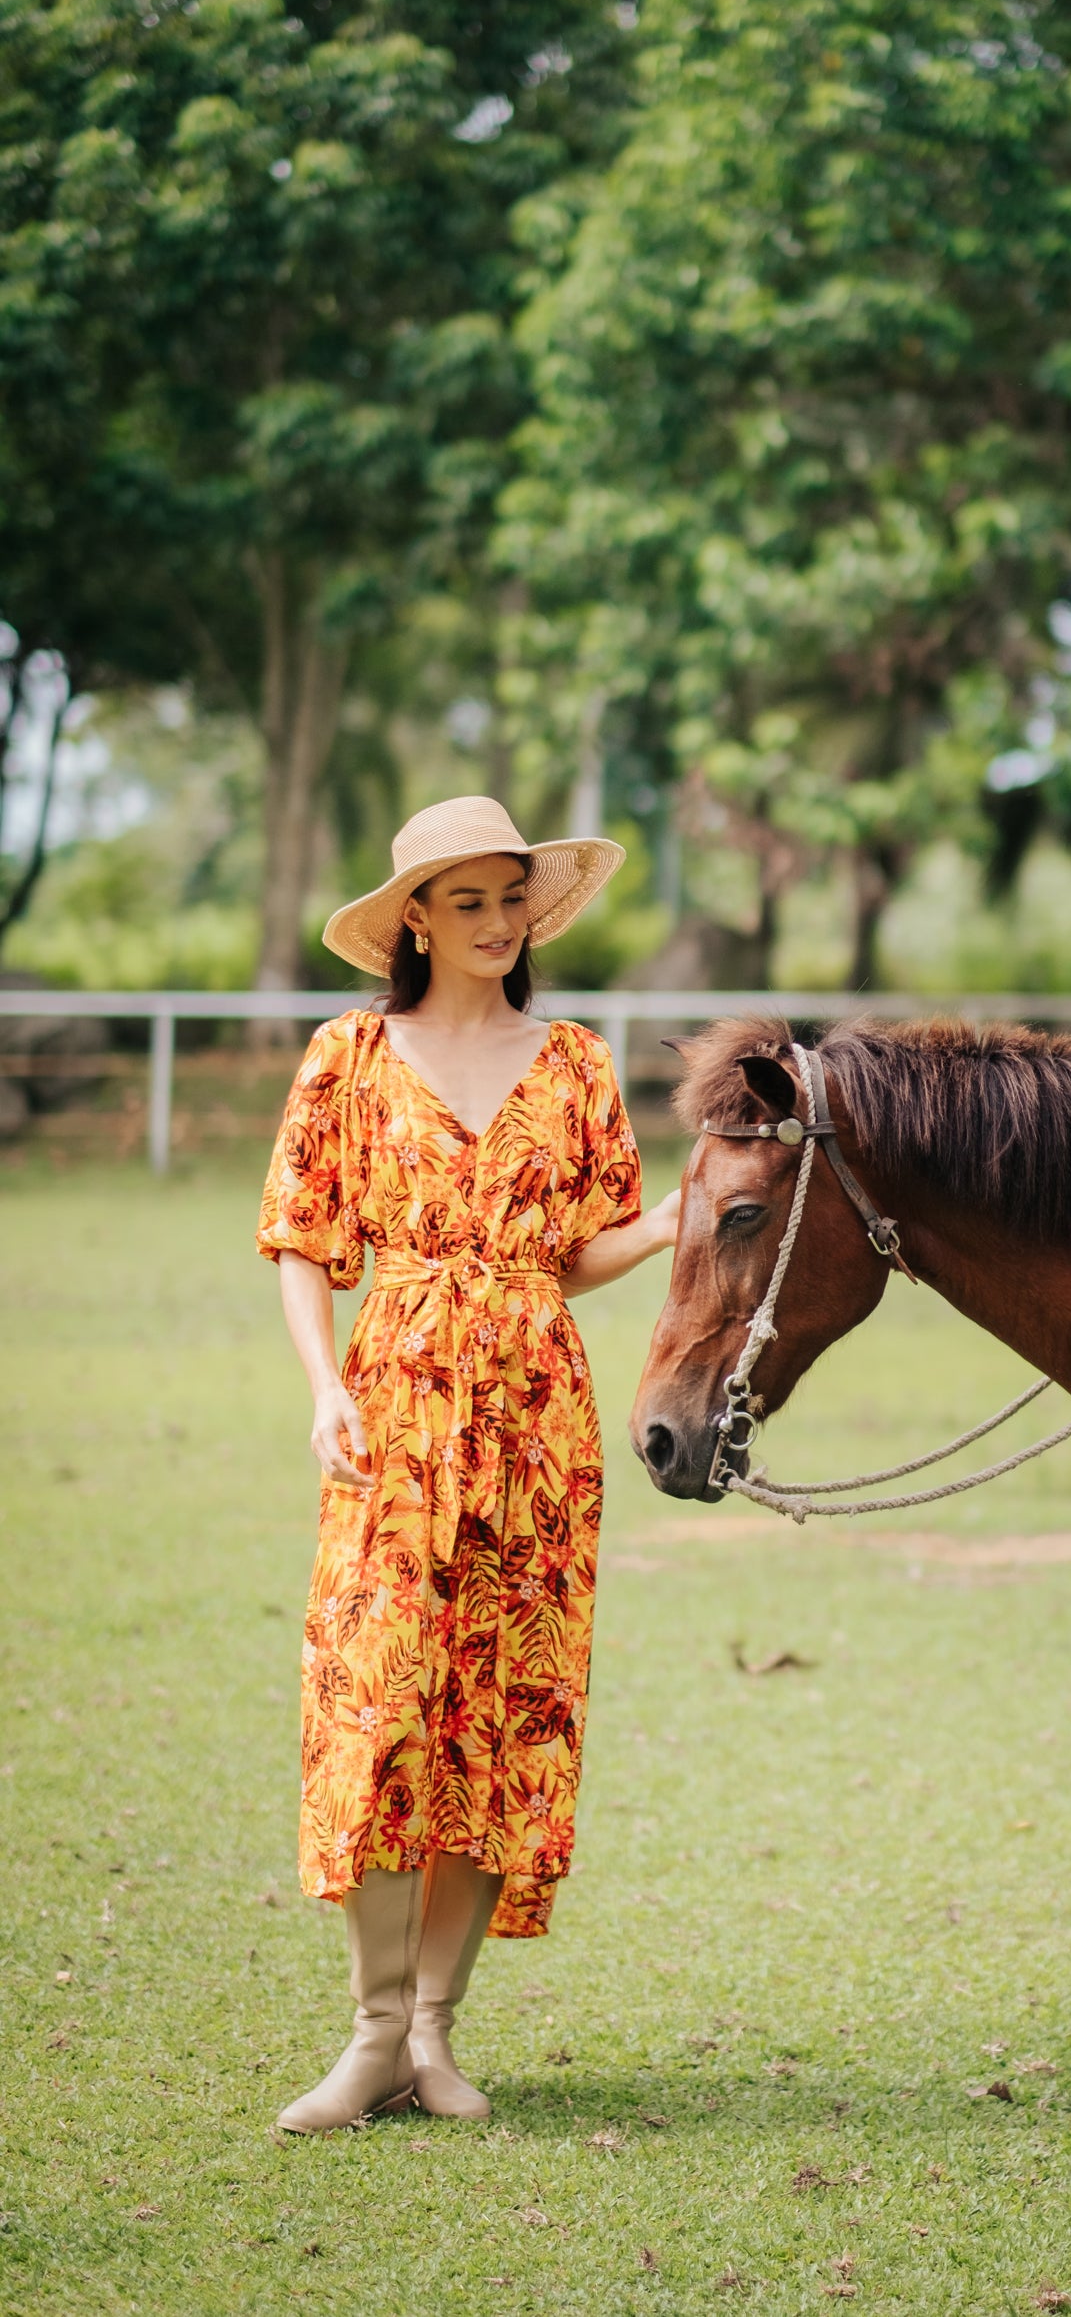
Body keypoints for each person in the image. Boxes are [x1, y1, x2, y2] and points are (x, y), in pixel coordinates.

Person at [256, 796, 679, 2133]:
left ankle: (437, 2033)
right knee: (381, 1710)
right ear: (415, 921)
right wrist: (324, 1386)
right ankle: (372, 2033)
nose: (500, 924)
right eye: (470, 902)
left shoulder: (575, 1061)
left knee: (507, 1716)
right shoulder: (351, 1053)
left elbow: (577, 1250)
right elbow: (302, 1237)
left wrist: (666, 1224)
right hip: (394, 1404)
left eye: (513, 898)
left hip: (539, 1421)